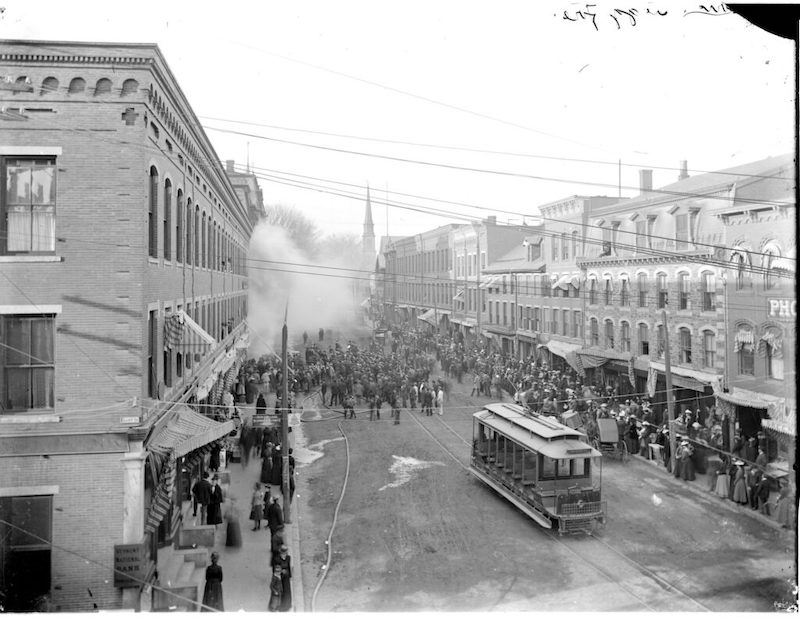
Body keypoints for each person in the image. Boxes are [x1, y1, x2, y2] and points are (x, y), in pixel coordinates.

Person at [271, 544, 292, 611]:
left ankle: (287, 605)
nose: (284, 554)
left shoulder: (288, 557)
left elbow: (288, 566)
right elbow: (275, 569)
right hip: (280, 577)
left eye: (285, 552)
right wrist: (281, 571)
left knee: (287, 591)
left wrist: (290, 575)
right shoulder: (277, 559)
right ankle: (280, 606)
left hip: (286, 578)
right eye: (283, 552)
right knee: (280, 591)